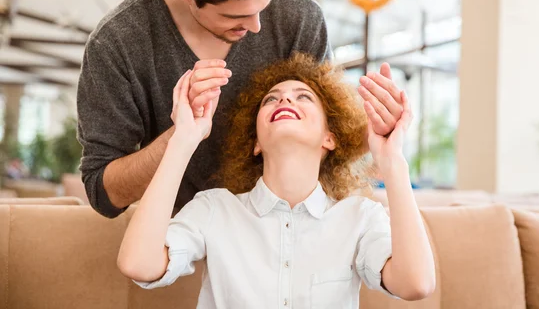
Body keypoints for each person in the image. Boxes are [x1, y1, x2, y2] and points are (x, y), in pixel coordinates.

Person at [77, 0, 404, 218]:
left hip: (283, 230)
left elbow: (323, 143)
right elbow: (105, 195)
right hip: (181, 237)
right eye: (234, 17)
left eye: (263, 5)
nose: (257, 27)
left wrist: (376, 131)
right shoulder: (118, 43)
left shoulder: (299, 17)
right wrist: (181, 137)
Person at [117, 54, 436, 308]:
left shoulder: (360, 217)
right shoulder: (215, 209)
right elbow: (139, 264)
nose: (285, 101)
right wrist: (184, 139)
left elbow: (416, 284)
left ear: (329, 138)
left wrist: (392, 160)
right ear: (256, 141)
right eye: (271, 99)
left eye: (303, 97)